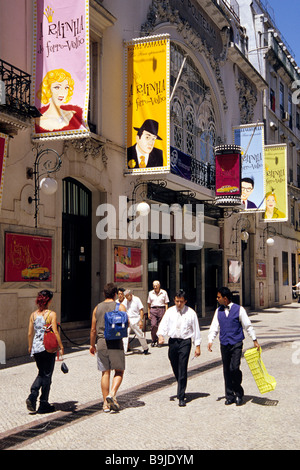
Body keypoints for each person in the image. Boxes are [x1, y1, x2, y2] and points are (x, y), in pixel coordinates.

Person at [207, 287, 260, 406]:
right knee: (226, 370)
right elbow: (214, 327)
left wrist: (254, 339)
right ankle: (229, 395)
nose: (217, 299)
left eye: (219, 297)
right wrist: (210, 340)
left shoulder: (239, 309)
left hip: (236, 343)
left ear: (225, 298)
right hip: (224, 343)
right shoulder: (218, 311)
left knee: (234, 368)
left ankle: (239, 392)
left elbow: (248, 325)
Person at [157, 290, 201, 407]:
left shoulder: (191, 313)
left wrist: (197, 346)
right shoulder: (170, 311)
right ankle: (181, 383)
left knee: (182, 367)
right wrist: (161, 335)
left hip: (185, 342)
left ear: (185, 301)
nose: (179, 304)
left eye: (181, 302)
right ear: (174, 300)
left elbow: (196, 330)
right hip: (173, 342)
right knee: (174, 364)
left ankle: (181, 396)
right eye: (177, 301)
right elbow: (163, 324)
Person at [89, 283, 127, 413]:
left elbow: (93, 329)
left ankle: (105, 404)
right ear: (116, 294)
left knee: (105, 372)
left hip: (101, 342)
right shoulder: (120, 307)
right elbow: (125, 325)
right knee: (119, 371)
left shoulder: (97, 308)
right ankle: (112, 393)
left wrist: (92, 345)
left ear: (104, 294)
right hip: (115, 342)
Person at [26, 290, 64, 414]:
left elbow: (30, 333)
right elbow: (55, 331)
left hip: (36, 349)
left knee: (41, 373)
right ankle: (43, 403)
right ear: (49, 300)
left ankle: (33, 395)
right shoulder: (51, 314)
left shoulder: (33, 315)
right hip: (47, 348)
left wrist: (30, 346)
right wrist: (61, 346)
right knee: (47, 375)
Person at [35, 68, 83, 133]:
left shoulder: (71, 115)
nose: (62, 92)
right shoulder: (39, 120)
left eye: (66, 87)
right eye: (57, 87)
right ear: (48, 90)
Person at [122, 290, 149, 355]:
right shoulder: (125, 300)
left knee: (140, 334)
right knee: (125, 335)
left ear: (130, 295)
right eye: (125, 297)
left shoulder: (137, 299)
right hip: (128, 319)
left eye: (127, 296)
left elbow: (141, 310)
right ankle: (124, 350)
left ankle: (145, 348)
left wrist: (141, 320)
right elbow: (123, 308)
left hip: (136, 319)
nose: (126, 298)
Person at [147, 280, 169, 347]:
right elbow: (148, 304)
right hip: (153, 309)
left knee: (160, 326)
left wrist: (166, 312)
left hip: (161, 309)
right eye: (154, 286)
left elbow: (166, 303)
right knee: (153, 325)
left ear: (159, 285)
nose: (155, 287)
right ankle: (154, 340)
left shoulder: (164, 292)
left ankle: (159, 340)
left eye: (156, 285)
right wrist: (148, 313)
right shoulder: (150, 293)